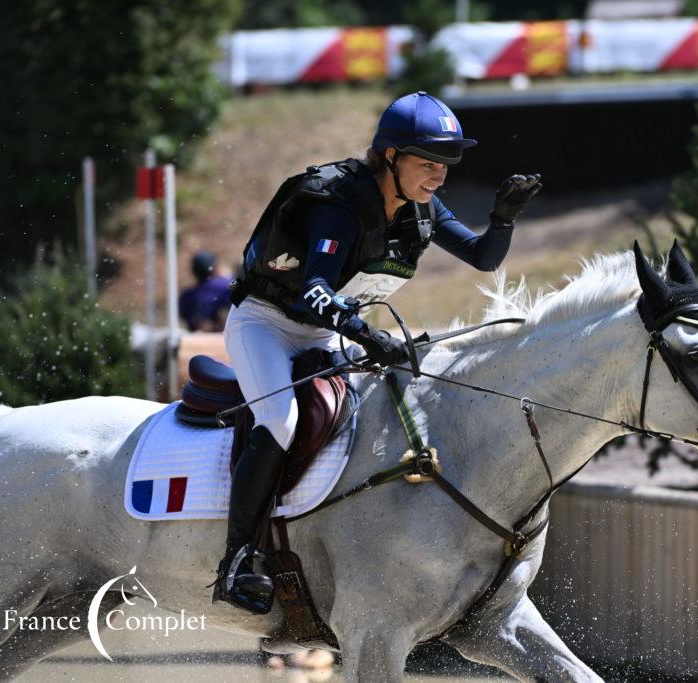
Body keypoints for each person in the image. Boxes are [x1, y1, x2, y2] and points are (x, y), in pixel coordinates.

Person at [213, 91, 542, 614]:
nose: (439, 176)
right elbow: (315, 290)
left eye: (447, 166)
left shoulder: (422, 207)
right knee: (280, 421)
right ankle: (235, 560)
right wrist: (367, 334)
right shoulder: (340, 206)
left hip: (326, 334)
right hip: (267, 326)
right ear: (390, 156)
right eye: (428, 164)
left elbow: (483, 259)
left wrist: (502, 219)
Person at [178, 251, 232, 332]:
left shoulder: (187, 295)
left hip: (197, 339)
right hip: (223, 337)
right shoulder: (225, 285)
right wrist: (228, 276)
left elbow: (184, 315)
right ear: (214, 268)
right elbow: (238, 285)